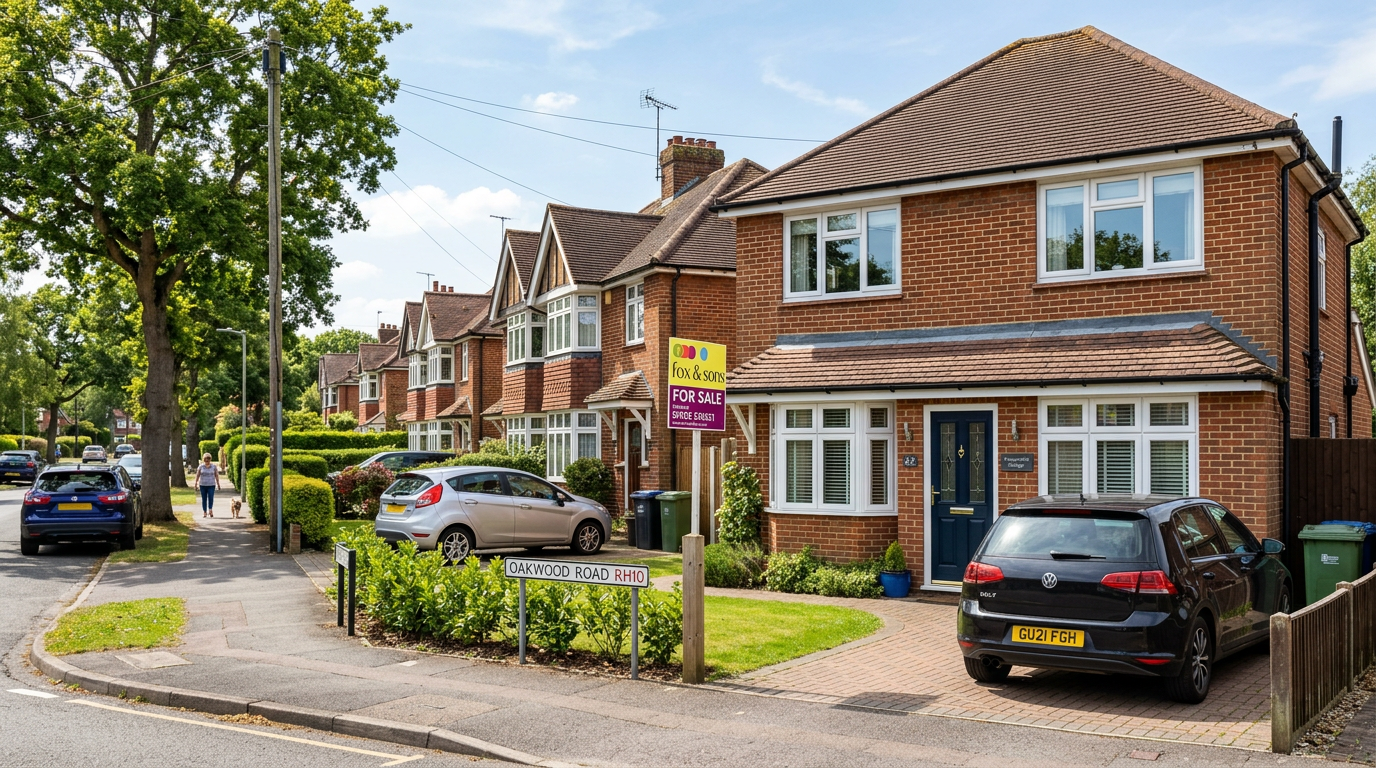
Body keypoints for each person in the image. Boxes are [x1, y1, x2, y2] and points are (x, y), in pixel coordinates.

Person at [195, 453, 221, 518]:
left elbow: (216, 475)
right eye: (206, 459)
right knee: (204, 499)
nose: (207, 460)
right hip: (202, 485)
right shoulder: (201, 466)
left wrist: (218, 483)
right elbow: (197, 475)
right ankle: (204, 512)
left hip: (211, 485)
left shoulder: (214, 466)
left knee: (211, 497)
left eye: (208, 459)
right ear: (204, 459)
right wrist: (196, 483)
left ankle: (210, 510)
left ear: (210, 459)